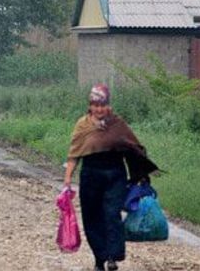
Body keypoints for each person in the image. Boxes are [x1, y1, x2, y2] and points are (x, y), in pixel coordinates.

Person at [63, 83, 160, 271]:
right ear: (90, 106)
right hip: (90, 175)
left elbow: (133, 147)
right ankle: (100, 259)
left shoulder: (118, 124)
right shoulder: (82, 125)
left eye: (103, 105)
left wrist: (141, 172)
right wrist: (67, 179)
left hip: (115, 174)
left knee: (111, 214)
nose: (99, 109)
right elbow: (74, 154)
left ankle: (113, 256)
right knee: (92, 217)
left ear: (109, 105)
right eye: (96, 105)